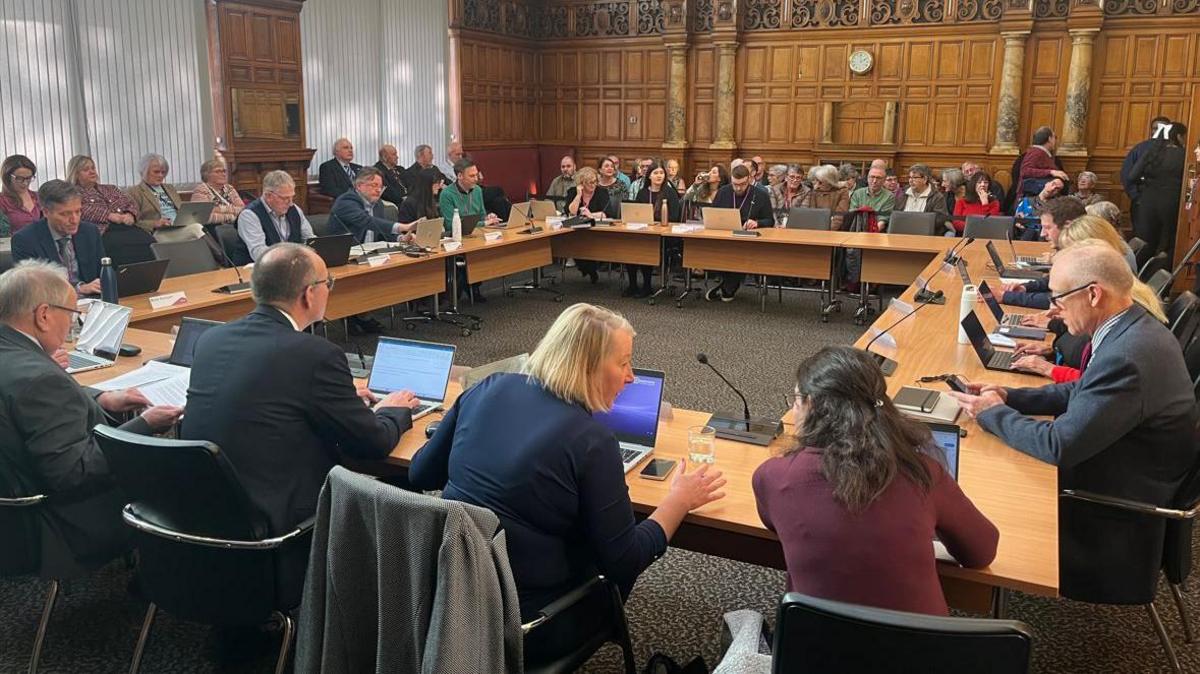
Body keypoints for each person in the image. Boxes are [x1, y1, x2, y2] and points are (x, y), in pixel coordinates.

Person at [408, 303, 726, 633]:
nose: (631, 377)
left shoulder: (488, 387)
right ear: (588, 367)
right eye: (623, 364)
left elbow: (421, 474)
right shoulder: (592, 440)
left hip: (448, 593)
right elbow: (624, 562)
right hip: (529, 624)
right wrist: (679, 501)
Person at [948, 241, 1197, 604]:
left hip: (1112, 506)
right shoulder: (1132, 328)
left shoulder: (1129, 356)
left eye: (1059, 297)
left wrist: (990, 413)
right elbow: (1082, 389)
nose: (1054, 308)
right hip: (1127, 468)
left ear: (1093, 294)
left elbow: (1058, 445)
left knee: (981, 478)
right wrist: (1009, 395)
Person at [181, 243, 418, 589]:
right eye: (328, 283)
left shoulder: (212, 339)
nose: (329, 290)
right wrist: (392, 409)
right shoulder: (316, 355)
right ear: (309, 294)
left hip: (204, 509)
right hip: (277, 523)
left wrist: (335, 397)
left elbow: (267, 391)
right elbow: (375, 443)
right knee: (400, 484)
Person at [754, 346, 997, 615]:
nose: (793, 408)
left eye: (797, 399)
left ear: (811, 405)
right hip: (924, 654)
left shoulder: (774, 477)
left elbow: (776, 523)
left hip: (815, 654)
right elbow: (981, 553)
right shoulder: (923, 473)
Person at [0, 261, 183, 568]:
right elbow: (74, 472)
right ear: (44, 315)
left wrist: (103, 397)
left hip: (15, 513)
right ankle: (165, 586)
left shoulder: (19, 362)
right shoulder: (40, 378)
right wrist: (144, 425)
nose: (73, 325)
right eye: (72, 315)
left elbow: (32, 403)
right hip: (65, 523)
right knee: (186, 475)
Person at [1010, 215, 1166, 381]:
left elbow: (1095, 379)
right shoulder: (1122, 293)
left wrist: (1049, 368)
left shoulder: (1121, 323)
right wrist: (1052, 351)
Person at [12, 180, 106, 296]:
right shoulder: (25, 240)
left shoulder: (90, 232)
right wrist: (79, 289)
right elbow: (32, 290)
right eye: (65, 214)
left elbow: (103, 274)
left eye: (78, 211)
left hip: (93, 303)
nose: (74, 220)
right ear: (46, 212)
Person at [65, 154, 154, 266]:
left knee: (150, 242)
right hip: (103, 231)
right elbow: (81, 210)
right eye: (86, 170)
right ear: (76, 174)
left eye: (93, 168)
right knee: (122, 249)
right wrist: (109, 215)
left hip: (126, 227)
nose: (92, 172)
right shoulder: (72, 193)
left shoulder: (110, 188)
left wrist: (130, 214)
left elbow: (131, 203)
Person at [1000, 196, 1088, 309]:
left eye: (1047, 228)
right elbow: (1055, 280)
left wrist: (1006, 297)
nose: (1042, 234)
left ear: (1068, 226)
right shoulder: (1070, 249)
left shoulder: (1084, 257)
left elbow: (1060, 299)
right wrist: (1025, 287)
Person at [704, 165, 773, 302]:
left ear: (749, 180)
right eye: (735, 184)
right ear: (731, 180)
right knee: (711, 250)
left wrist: (757, 223)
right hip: (724, 235)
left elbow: (770, 220)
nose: (739, 188)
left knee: (738, 251)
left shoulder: (760, 194)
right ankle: (727, 285)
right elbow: (713, 213)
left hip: (748, 238)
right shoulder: (723, 191)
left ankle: (728, 286)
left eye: (743, 184)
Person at [1128, 122, 1186, 260]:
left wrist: (1146, 183)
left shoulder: (1152, 153)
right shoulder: (1184, 155)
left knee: (1144, 241)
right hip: (1172, 202)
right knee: (1166, 246)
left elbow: (1132, 176)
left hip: (1148, 201)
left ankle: (1136, 274)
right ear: (1179, 136)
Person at [627, 161, 681, 297]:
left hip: (664, 235)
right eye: (655, 173)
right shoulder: (642, 193)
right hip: (643, 232)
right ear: (649, 176)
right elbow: (636, 214)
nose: (659, 176)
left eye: (661, 173)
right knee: (628, 246)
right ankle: (632, 285)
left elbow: (675, 217)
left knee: (645, 247)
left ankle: (647, 286)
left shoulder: (670, 193)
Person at [236, 170, 315, 262]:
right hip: (254, 270)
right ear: (268, 196)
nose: (290, 203)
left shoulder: (294, 209)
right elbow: (259, 253)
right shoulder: (249, 215)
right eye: (285, 198)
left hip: (289, 268)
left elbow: (310, 239)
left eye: (292, 197)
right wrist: (294, 255)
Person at [128, 153, 205, 244]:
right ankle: (220, 256)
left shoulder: (170, 188)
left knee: (198, 230)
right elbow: (133, 222)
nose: (161, 175)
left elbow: (180, 209)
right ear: (143, 172)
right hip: (159, 233)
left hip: (179, 227)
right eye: (156, 172)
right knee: (196, 228)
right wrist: (155, 223)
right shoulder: (135, 192)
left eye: (163, 172)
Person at [329, 167, 414, 244]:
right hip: (346, 254)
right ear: (359, 186)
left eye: (381, 187)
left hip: (372, 254)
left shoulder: (378, 204)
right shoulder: (346, 201)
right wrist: (403, 227)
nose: (379, 190)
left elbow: (382, 232)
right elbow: (366, 221)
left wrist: (401, 238)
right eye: (374, 185)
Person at [563, 167, 617, 284]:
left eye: (595, 181)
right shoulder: (572, 192)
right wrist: (578, 195)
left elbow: (607, 213)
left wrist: (591, 214)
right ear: (581, 183)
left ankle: (591, 270)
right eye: (590, 182)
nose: (594, 185)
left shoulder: (601, 192)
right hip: (577, 230)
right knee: (575, 246)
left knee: (588, 246)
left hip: (596, 230)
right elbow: (571, 211)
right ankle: (588, 269)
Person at [1121, 115, 1172, 228]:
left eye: (1161, 128)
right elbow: (1127, 174)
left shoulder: (1174, 150)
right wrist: (1136, 196)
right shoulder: (1140, 149)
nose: (1158, 131)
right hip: (1141, 199)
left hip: (1167, 202)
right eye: (1155, 128)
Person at [438, 157, 500, 229]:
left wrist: (488, 218)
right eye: (472, 176)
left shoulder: (477, 190)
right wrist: (484, 223)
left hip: (478, 233)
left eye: (476, 175)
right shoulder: (447, 194)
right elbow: (451, 225)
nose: (476, 179)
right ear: (460, 176)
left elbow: (482, 216)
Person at [895, 164, 950, 233]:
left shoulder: (937, 197)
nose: (910, 181)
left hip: (926, 235)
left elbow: (939, 220)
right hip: (902, 232)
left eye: (914, 177)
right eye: (910, 177)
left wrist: (918, 223)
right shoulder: (903, 194)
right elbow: (895, 215)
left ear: (925, 179)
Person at [190, 158, 246, 225]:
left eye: (224, 171)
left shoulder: (229, 188)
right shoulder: (201, 190)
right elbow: (203, 217)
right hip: (213, 228)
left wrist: (218, 209)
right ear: (207, 175)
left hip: (234, 225)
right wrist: (231, 217)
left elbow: (242, 209)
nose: (223, 174)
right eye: (218, 171)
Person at [0, 154, 42, 234]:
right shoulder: (2, 201)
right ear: (7, 177)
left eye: (29, 178)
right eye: (19, 178)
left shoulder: (37, 196)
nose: (25, 183)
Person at [801, 164, 851, 231]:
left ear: (830, 182)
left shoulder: (842, 192)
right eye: (816, 181)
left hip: (833, 231)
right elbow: (811, 213)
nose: (817, 185)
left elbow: (839, 216)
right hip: (814, 229)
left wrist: (826, 231)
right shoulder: (815, 191)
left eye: (820, 182)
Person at [848, 164, 895, 231]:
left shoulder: (889, 196)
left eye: (878, 178)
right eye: (872, 177)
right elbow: (852, 213)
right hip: (857, 229)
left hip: (879, 231)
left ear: (884, 180)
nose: (874, 181)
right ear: (867, 178)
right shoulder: (857, 193)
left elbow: (884, 218)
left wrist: (873, 231)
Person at [951, 171, 1001, 235]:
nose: (983, 185)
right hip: (965, 235)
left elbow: (990, 224)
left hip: (986, 236)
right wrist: (974, 228)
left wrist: (985, 204)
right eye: (979, 182)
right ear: (973, 185)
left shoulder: (994, 203)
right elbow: (956, 223)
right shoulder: (961, 202)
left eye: (986, 182)